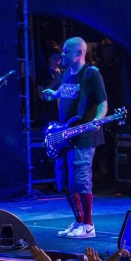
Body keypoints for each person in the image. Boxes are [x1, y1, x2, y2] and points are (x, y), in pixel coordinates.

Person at [41, 37, 108, 239]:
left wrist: (98, 119)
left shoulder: (91, 74)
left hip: (83, 137)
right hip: (65, 136)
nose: (62, 55)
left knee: (80, 181)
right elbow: (65, 91)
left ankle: (88, 225)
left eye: (66, 51)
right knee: (64, 182)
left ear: (78, 53)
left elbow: (103, 103)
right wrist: (54, 94)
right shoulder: (66, 74)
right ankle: (79, 221)